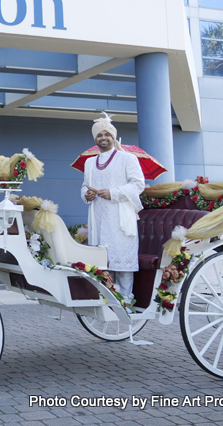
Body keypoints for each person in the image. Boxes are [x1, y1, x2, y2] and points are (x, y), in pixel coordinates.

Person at [80, 112, 145, 304]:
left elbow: (138, 184)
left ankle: (126, 301)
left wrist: (113, 193)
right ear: (95, 138)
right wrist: (87, 194)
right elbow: (84, 186)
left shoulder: (128, 159)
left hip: (120, 218)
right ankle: (106, 300)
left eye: (106, 134)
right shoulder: (90, 162)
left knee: (122, 262)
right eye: (99, 135)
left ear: (113, 136)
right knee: (102, 262)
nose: (103, 137)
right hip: (98, 218)